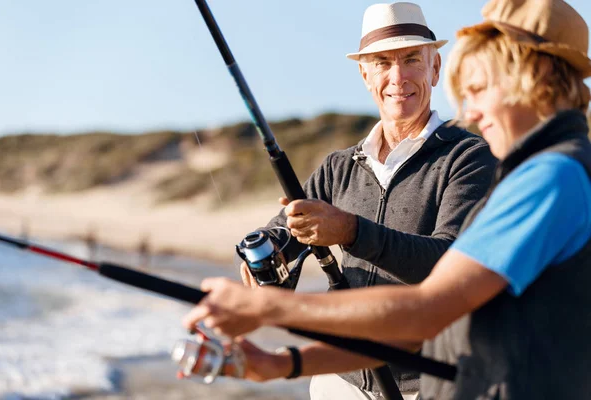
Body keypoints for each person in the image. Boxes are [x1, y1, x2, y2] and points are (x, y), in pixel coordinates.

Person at [183, 0, 591, 398]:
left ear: (533, 77)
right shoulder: (530, 174)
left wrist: (269, 310)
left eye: (480, 88)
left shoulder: (548, 177)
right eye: (381, 63)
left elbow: (427, 307)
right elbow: (423, 326)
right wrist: (284, 361)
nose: (471, 110)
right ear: (364, 74)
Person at [209, 2, 495, 399]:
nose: (398, 77)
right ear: (365, 74)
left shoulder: (468, 156)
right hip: (338, 380)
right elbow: (286, 226)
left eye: (411, 59)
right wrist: (264, 249)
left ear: (434, 68)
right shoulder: (339, 166)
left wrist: (350, 230)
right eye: (381, 63)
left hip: (429, 384)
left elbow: (448, 266)